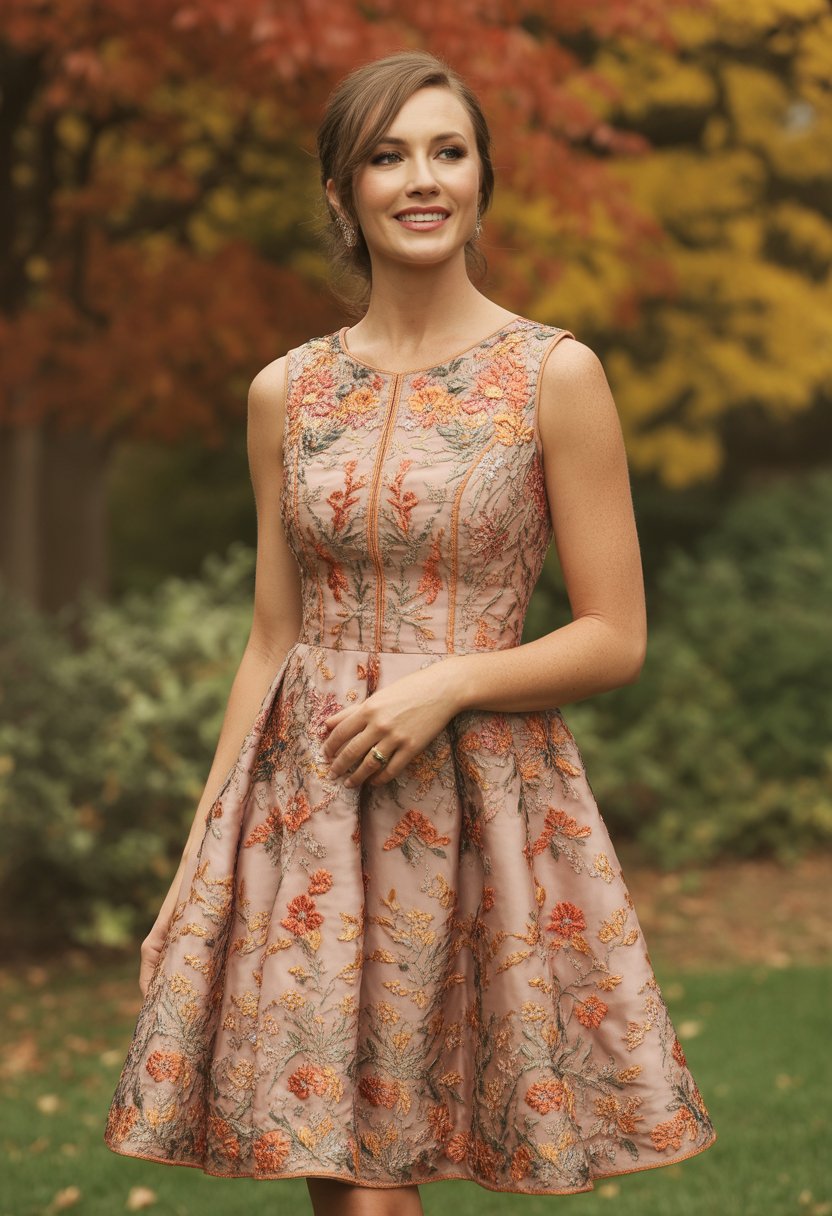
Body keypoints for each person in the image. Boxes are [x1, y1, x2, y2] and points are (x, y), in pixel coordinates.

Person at [104, 48, 716, 1212]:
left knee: (405, 1149)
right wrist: (197, 862)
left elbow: (614, 634)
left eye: (447, 151)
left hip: (480, 803)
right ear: (342, 190)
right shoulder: (285, 391)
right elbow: (271, 640)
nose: (421, 179)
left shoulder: (554, 374)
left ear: (482, 178)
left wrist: (450, 683)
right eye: (387, 156)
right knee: (342, 1169)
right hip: (310, 809)